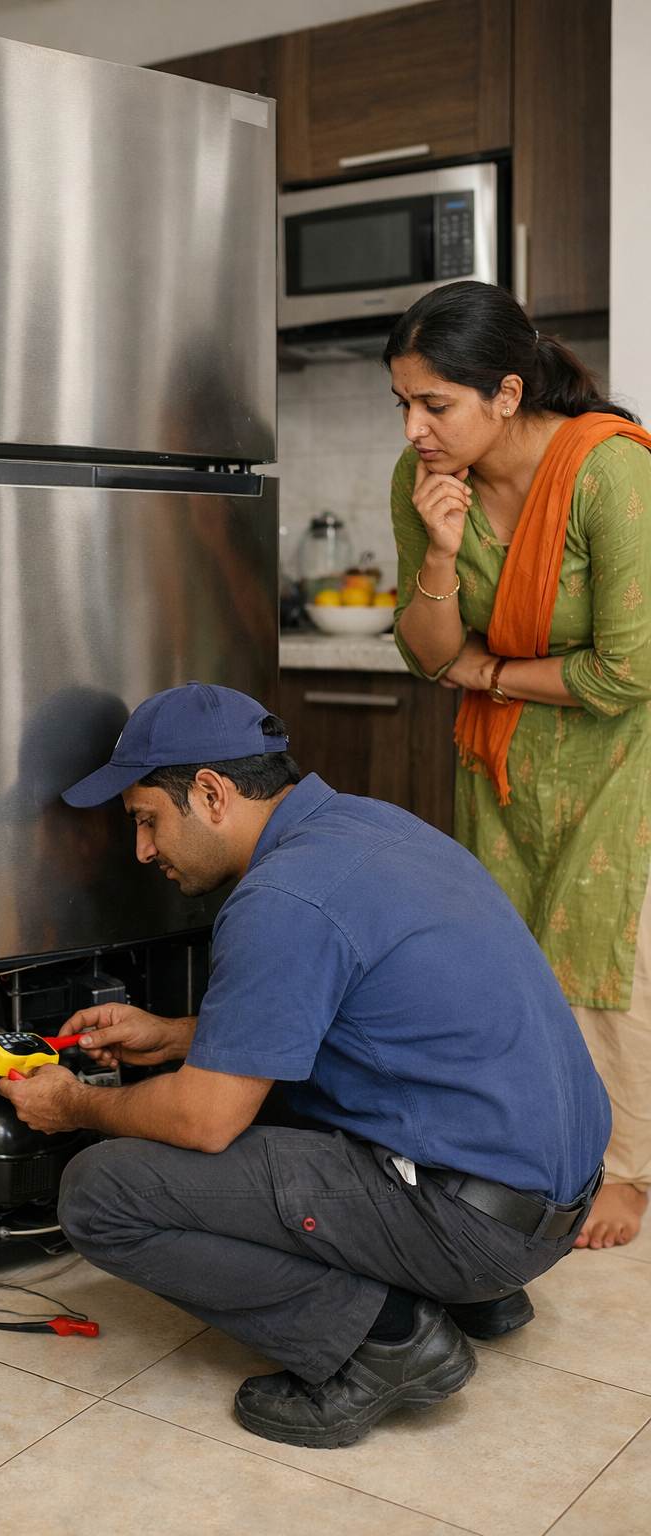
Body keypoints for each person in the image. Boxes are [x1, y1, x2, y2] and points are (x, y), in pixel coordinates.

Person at [0, 682, 609, 1450]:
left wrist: (73, 1105)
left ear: (213, 794)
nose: (143, 851)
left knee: (101, 1191)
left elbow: (205, 1120)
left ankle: (386, 1339)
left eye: (147, 821)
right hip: (550, 1194)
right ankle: (475, 1295)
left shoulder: (281, 897)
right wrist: (183, 1035)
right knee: (272, 1092)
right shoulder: (368, 827)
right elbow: (355, 1014)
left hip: (475, 1224)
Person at [385, 279, 651, 1250]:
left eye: (435, 405)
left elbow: (628, 669)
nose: (414, 427)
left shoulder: (607, 475)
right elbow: (424, 651)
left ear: (504, 393)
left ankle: (624, 1165)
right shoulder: (423, 485)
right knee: (510, 956)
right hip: (498, 767)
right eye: (402, 405)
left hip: (621, 759)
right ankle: (538, 1138)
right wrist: (439, 557)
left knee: (606, 955)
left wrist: (488, 668)